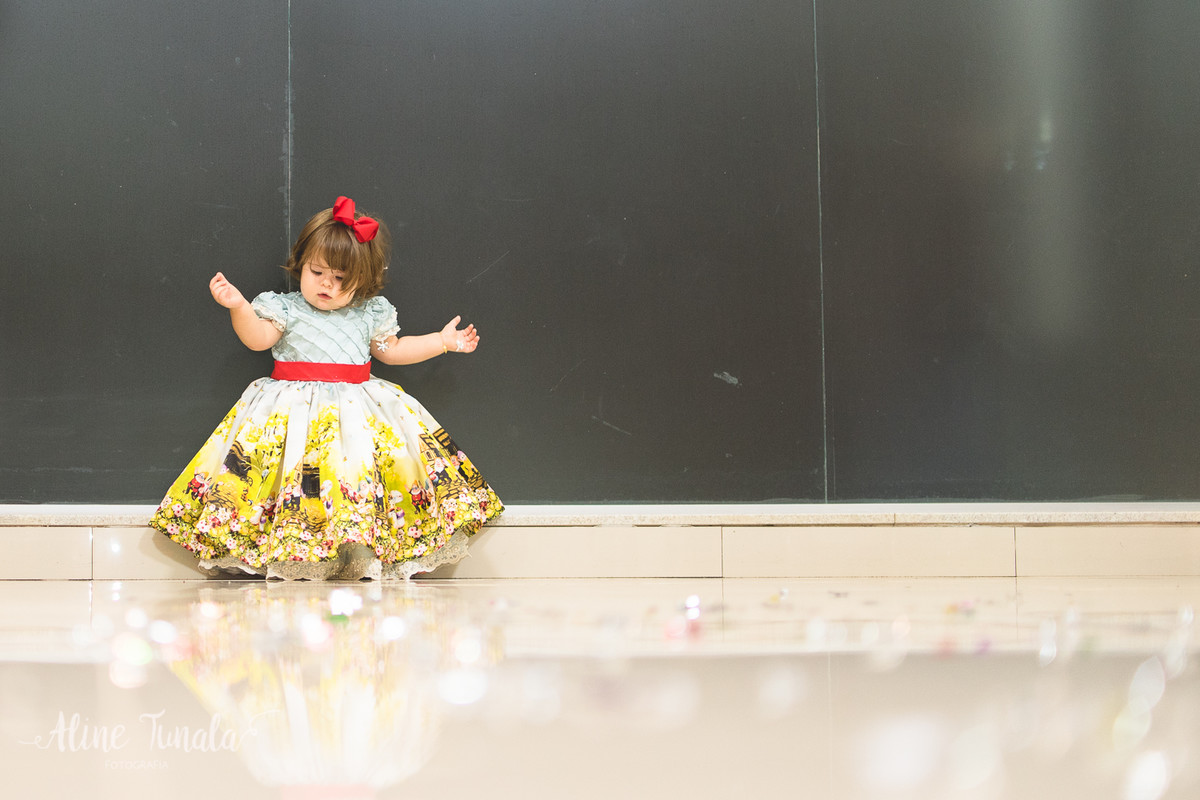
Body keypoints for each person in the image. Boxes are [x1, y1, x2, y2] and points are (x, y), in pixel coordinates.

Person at [150, 196, 502, 579]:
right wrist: (239, 306)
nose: (327, 286)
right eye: (318, 272)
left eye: (341, 281)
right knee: (291, 482)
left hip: (355, 415)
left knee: (353, 483)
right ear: (301, 263)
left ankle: (359, 554)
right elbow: (257, 338)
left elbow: (393, 350)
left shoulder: (369, 313)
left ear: (363, 283)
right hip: (291, 411)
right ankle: (292, 550)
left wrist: (441, 341)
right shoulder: (284, 308)